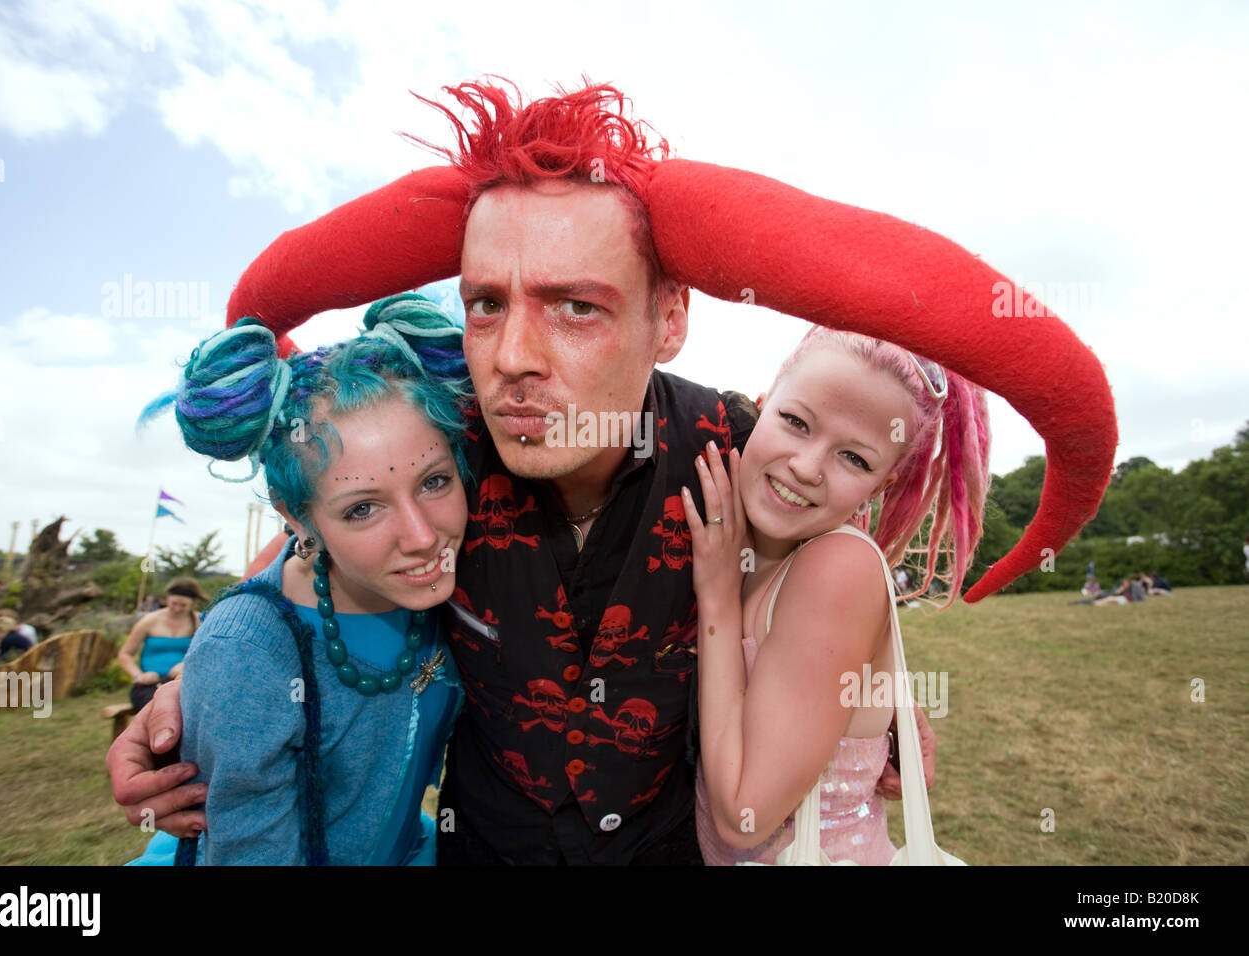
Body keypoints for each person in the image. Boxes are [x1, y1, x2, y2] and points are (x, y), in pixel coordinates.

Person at [107, 79, 1116, 865]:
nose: (511, 356)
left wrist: (884, 707)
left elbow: (832, 570)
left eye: (575, 306)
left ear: (668, 316)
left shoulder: (748, 449)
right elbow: (329, 537)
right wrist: (191, 689)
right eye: (488, 302)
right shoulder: (442, 451)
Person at [129, 293, 470, 865]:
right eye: (362, 509)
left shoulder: (453, 581)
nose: (421, 537)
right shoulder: (248, 651)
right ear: (295, 516)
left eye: (434, 482)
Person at [687, 326, 988, 864]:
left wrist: (715, 599)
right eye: (795, 422)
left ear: (883, 484)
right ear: (762, 405)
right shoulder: (746, 536)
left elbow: (742, 815)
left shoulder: (837, 565)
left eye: (855, 459)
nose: (806, 466)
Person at [117, 579, 205, 713]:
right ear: (166, 599)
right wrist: (139, 676)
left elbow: (209, 654)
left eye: (183, 605)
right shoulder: (149, 620)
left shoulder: (200, 621)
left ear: (192, 603)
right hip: (151, 685)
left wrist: (187, 664)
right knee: (162, 711)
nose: (177, 609)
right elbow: (125, 654)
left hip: (184, 683)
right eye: (173, 603)